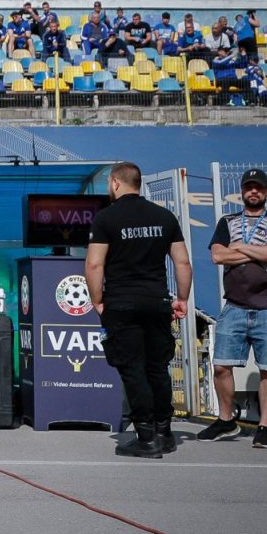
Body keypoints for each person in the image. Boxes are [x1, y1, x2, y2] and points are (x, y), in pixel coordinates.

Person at [85, 161, 191, 459]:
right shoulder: (164, 216)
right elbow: (182, 262)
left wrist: (97, 301)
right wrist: (182, 298)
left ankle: (145, 437)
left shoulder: (106, 218)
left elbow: (94, 264)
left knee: (133, 370)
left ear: (115, 183)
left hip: (122, 303)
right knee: (157, 367)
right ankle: (164, 432)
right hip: (157, 301)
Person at [199, 169, 267, 448]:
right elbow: (218, 255)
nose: (254, 192)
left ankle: (264, 426)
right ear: (241, 191)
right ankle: (226, 420)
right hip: (234, 307)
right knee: (221, 366)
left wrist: (240, 247)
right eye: (249, 187)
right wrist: (258, 251)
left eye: (259, 188)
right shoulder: (227, 222)